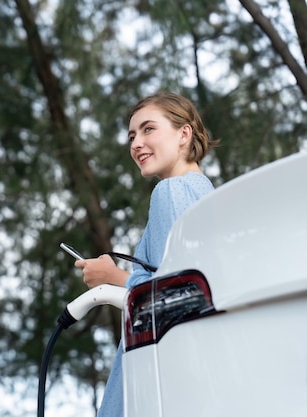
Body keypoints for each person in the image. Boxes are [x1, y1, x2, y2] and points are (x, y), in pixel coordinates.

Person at [74, 92, 218, 417]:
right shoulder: (207, 197)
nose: (136, 143)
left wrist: (112, 279)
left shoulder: (172, 191)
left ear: (184, 134)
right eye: (132, 135)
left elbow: (181, 295)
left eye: (148, 129)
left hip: (160, 386)